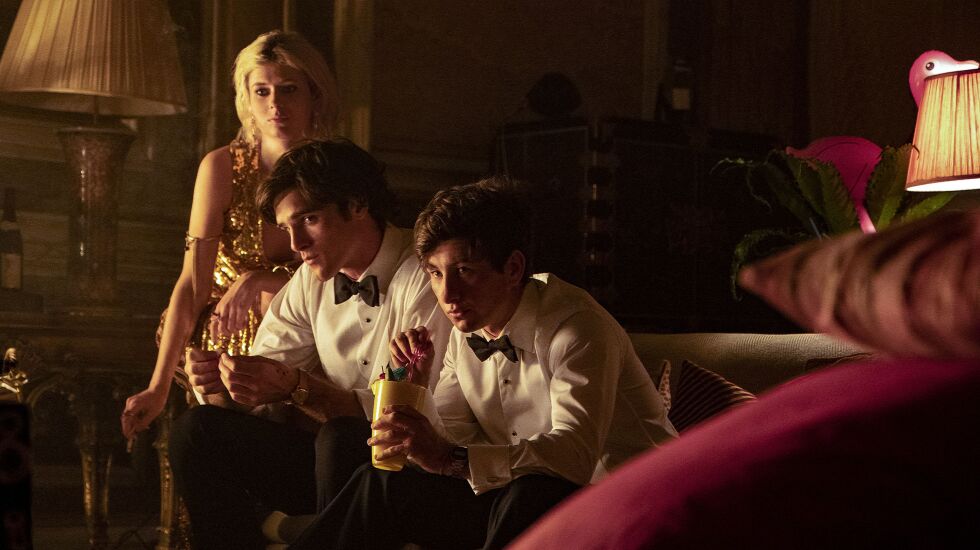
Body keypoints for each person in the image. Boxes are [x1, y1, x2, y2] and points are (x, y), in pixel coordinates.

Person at [290, 178, 678, 549]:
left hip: (632, 504)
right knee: (377, 480)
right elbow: (453, 439)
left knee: (530, 491)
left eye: (464, 272)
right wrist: (417, 391)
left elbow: (573, 457)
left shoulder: (576, 327)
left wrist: (451, 457)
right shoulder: (466, 332)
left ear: (513, 268)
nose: (448, 294)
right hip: (516, 496)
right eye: (435, 273)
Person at [168, 139, 452, 549]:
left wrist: (297, 387)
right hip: (329, 459)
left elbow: (404, 411)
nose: (296, 243)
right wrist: (224, 386)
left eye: (309, 220)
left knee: (339, 437)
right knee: (196, 431)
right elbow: (267, 376)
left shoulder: (428, 272)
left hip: (406, 464)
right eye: (287, 228)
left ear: (357, 204)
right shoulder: (309, 278)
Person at [121, 30, 340, 438]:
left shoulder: (336, 171)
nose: (275, 104)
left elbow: (346, 279)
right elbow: (192, 283)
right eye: (262, 91)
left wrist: (261, 280)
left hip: (313, 335)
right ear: (246, 100)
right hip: (226, 343)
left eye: (288, 89)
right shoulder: (222, 167)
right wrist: (158, 386)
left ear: (314, 95)